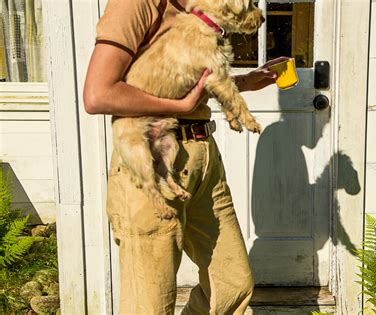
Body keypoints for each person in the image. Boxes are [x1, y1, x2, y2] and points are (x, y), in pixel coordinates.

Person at [83, 0, 286, 313]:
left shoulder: (205, 9)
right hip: (154, 158)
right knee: (149, 303)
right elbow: (98, 94)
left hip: (203, 158)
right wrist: (179, 108)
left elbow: (186, 79)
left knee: (233, 285)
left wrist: (245, 82)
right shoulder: (136, 4)